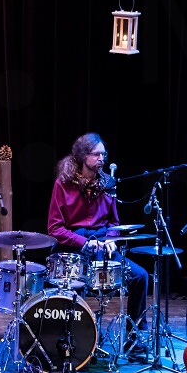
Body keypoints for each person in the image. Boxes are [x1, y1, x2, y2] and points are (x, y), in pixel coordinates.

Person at [47, 132, 148, 329]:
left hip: (102, 247)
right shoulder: (63, 184)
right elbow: (55, 227)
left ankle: (135, 334)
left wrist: (111, 239)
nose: (101, 158)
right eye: (96, 154)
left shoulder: (108, 184)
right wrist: (84, 242)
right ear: (82, 156)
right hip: (73, 248)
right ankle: (73, 334)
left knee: (140, 276)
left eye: (103, 154)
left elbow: (114, 223)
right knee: (71, 287)